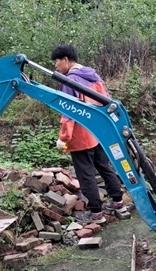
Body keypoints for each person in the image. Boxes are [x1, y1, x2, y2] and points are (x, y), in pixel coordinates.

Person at [51, 44, 127, 224]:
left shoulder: (69, 82)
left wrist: (63, 138)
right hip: (99, 132)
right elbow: (105, 101)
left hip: (81, 136)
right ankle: (118, 203)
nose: (56, 66)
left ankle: (96, 214)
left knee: (86, 175)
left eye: (56, 61)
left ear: (66, 60)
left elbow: (68, 113)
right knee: (105, 168)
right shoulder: (93, 76)